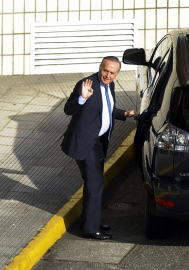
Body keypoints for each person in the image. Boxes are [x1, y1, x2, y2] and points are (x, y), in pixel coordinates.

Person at [61, 56, 137, 240]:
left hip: (98, 142)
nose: (108, 75)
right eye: (105, 71)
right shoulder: (86, 84)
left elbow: (107, 109)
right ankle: (90, 229)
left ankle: (89, 220)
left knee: (93, 184)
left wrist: (125, 114)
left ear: (117, 74)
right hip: (85, 142)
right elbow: (68, 109)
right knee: (95, 184)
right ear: (100, 68)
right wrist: (82, 98)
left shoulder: (109, 85)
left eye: (112, 73)